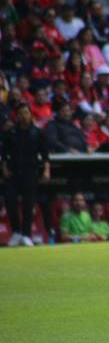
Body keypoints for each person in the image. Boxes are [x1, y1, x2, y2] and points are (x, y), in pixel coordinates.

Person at [1, 102, 50, 247]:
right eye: (21, 113)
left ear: (30, 114)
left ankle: (27, 234)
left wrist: (47, 170)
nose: (24, 115)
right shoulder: (11, 133)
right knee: (10, 203)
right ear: (17, 115)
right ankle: (16, 232)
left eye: (26, 112)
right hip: (12, 173)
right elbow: (3, 154)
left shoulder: (37, 132)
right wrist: (4, 168)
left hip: (30, 173)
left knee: (29, 205)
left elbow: (45, 154)